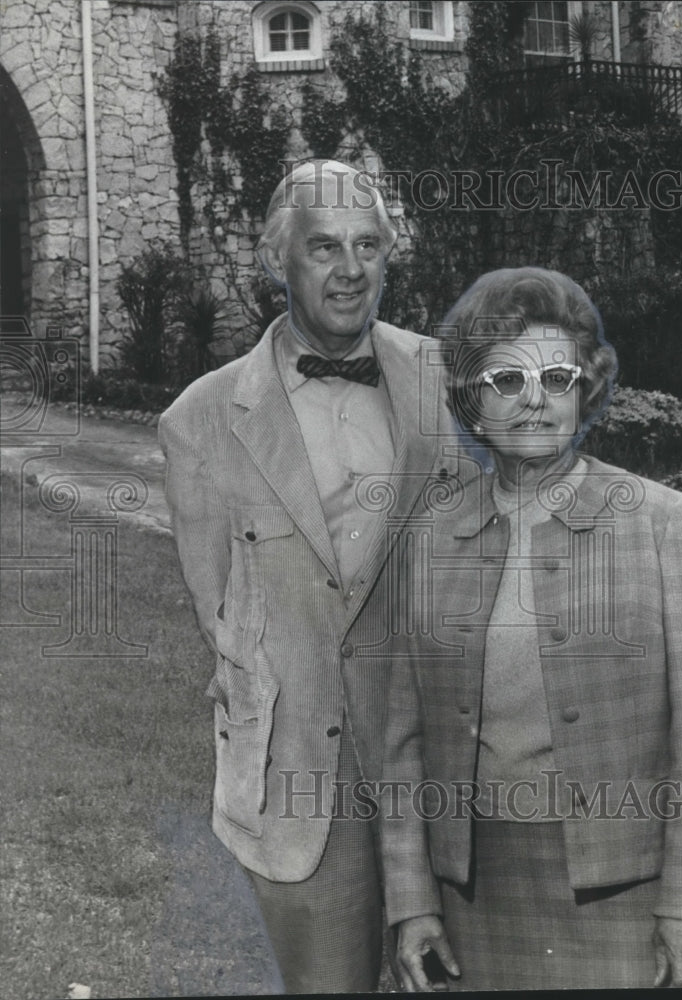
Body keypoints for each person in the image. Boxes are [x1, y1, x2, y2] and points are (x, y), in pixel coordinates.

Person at [381, 267, 682, 991]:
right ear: (471, 403)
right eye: (505, 381)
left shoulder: (658, 520)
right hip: (471, 890)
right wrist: (412, 899)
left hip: (618, 887)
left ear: (587, 390)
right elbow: (401, 740)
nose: (534, 401)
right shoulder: (429, 534)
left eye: (556, 377)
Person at [158, 160, 456, 993]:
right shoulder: (199, 422)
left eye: (368, 245)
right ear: (272, 260)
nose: (350, 269)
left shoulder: (452, 384)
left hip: (449, 770)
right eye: (323, 247)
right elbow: (222, 614)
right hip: (302, 784)